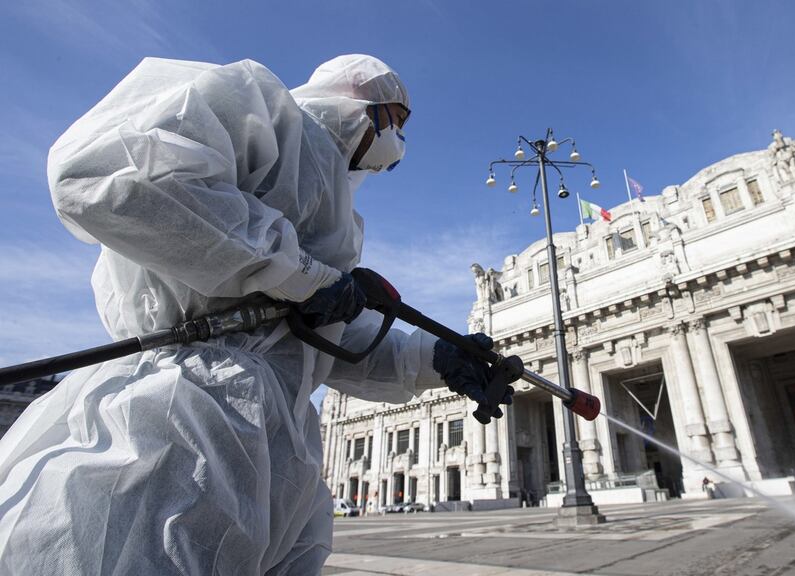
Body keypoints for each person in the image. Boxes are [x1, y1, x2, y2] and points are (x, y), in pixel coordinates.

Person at [0, 55, 511, 574]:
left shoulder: (339, 212)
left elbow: (314, 338)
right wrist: (303, 274)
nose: (397, 144)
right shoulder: (259, 109)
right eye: (395, 122)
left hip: (279, 445)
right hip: (188, 409)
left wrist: (433, 358)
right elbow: (107, 175)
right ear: (359, 102)